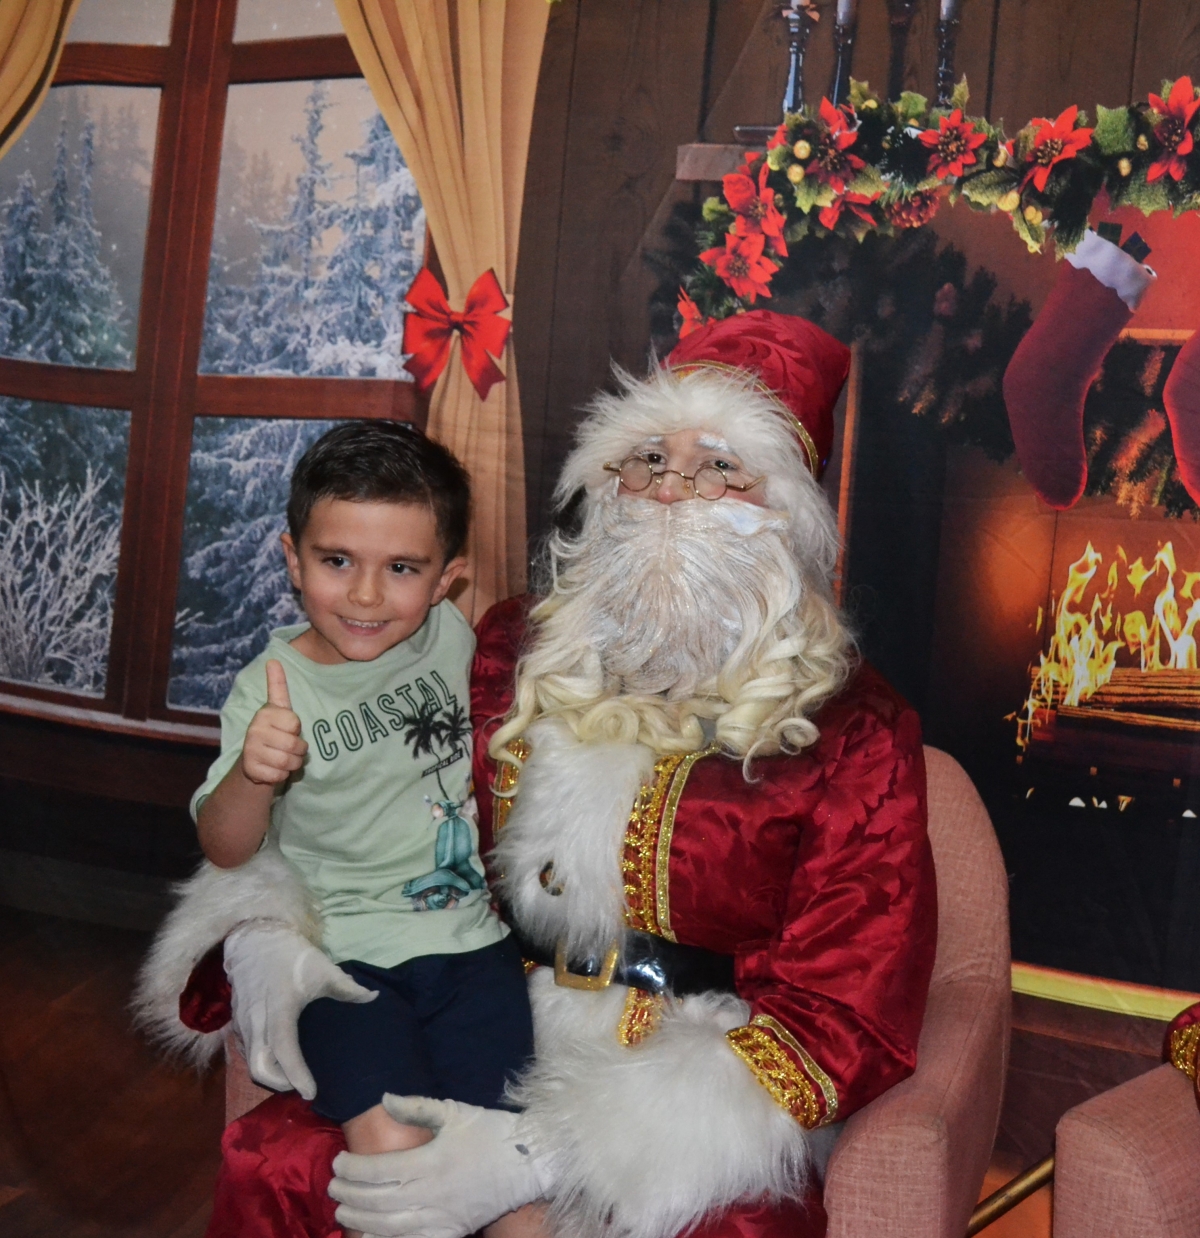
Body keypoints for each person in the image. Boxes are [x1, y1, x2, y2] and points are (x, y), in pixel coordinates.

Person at [137, 309, 937, 1238]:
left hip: (683, 1090)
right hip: (470, 1005)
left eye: (720, 465)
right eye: (647, 456)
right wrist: (264, 929)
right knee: (281, 1165)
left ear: (784, 514)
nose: (670, 487)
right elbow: (366, 802)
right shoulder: (508, 645)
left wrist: (542, 1154)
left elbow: (845, 1015)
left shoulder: (857, 731)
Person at [164, 420, 538, 1238]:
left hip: (474, 951)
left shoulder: (453, 638)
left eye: (401, 568)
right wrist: (253, 773)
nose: (366, 596)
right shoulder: (270, 687)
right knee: (393, 1159)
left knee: (515, 1182)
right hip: (341, 965)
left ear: (446, 580)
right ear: (293, 559)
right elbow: (224, 847)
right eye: (337, 561)